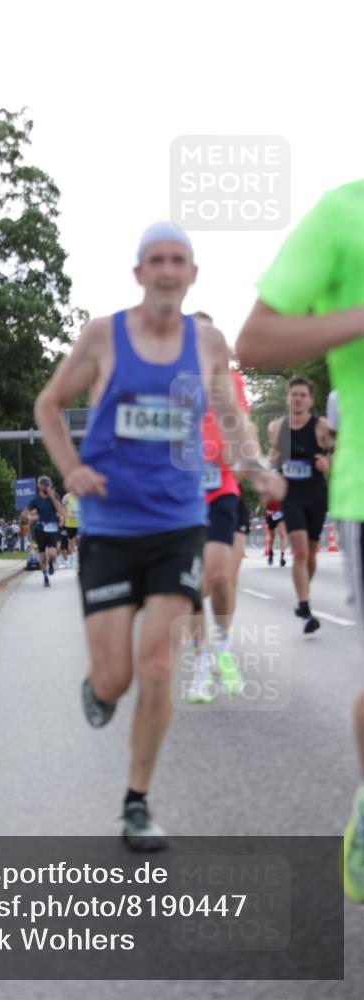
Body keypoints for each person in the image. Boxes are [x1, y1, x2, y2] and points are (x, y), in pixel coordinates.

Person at [35, 221, 283, 849]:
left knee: (156, 666)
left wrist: (255, 468)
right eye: (156, 259)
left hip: (179, 524)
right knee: (116, 677)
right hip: (111, 527)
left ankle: (137, 801)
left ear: (192, 273)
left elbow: (228, 418)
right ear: (139, 273)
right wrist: (71, 469)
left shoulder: (207, 344)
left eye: (179, 259)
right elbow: (48, 404)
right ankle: (99, 687)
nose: (168, 269)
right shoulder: (102, 336)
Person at [236, 178, 364, 903]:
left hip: (324, 480)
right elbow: (255, 338)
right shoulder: (342, 214)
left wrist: (321, 452)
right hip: (356, 494)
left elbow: (325, 435)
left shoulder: (315, 421)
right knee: (303, 551)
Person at [186, 313, 251, 704]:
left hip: (222, 488)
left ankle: (221, 645)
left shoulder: (232, 383)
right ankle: (200, 660)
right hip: (182, 496)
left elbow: (240, 426)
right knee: (196, 582)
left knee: (222, 577)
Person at [267, 376, 331, 632]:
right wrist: (271, 471)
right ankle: (304, 606)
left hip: (316, 493)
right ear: (288, 398)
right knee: (301, 552)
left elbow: (335, 451)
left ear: (310, 399)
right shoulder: (277, 427)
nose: (298, 399)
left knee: (311, 555)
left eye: (303, 395)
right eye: (294, 394)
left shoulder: (321, 425)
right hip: (290, 494)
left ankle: (303, 595)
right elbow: (273, 456)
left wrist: (327, 464)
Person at [23, 476, 65, 588]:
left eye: (48, 485)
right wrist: (29, 516)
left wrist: (52, 497)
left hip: (53, 528)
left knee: (52, 553)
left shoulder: (55, 496)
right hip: (40, 529)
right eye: (44, 485)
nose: (47, 487)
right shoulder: (35, 499)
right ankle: (45, 576)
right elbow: (26, 513)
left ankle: (51, 563)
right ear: (39, 486)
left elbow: (61, 511)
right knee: (42, 556)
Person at [265, 500, 287, 567]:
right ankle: (271, 553)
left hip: (281, 513)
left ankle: (282, 557)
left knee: (283, 535)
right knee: (272, 536)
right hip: (270, 514)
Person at [62, 489, 81, 568]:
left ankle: (79, 561)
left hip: (80, 523)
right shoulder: (66, 497)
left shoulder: (82, 496)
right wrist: (68, 515)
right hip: (69, 524)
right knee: (71, 543)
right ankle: (71, 561)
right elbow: (62, 511)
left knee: (79, 541)